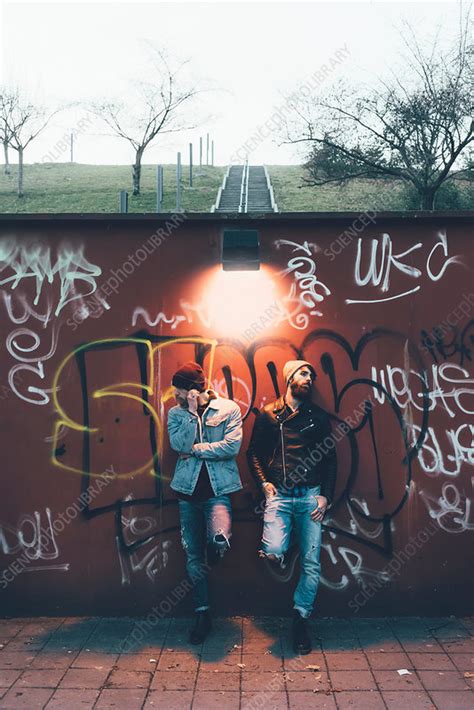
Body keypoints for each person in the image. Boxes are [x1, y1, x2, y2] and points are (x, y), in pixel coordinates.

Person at [247, 360, 337, 654]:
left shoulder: (318, 417)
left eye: (311, 375)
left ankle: (300, 618)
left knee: (312, 565)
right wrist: (263, 483)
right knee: (273, 551)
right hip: (280, 498)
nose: (309, 378)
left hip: (310, 498)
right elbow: (253, 454)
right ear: (289, 379)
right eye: (303, 373)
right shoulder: (269, 414)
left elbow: (330, 459)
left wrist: (326, 496)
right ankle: (283, 549)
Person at [167, 361, 243, 644]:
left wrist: (198, 450)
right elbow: (179, 446)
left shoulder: (228, 409)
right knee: (192, 556)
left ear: (193, 390)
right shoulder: (177, 413)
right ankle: (202, 613)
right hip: (187, 492)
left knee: (219, 539)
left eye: (178, 389)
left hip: (218, 490)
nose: (174, 393)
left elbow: (231, 447)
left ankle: (215, 550)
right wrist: (189, 413)